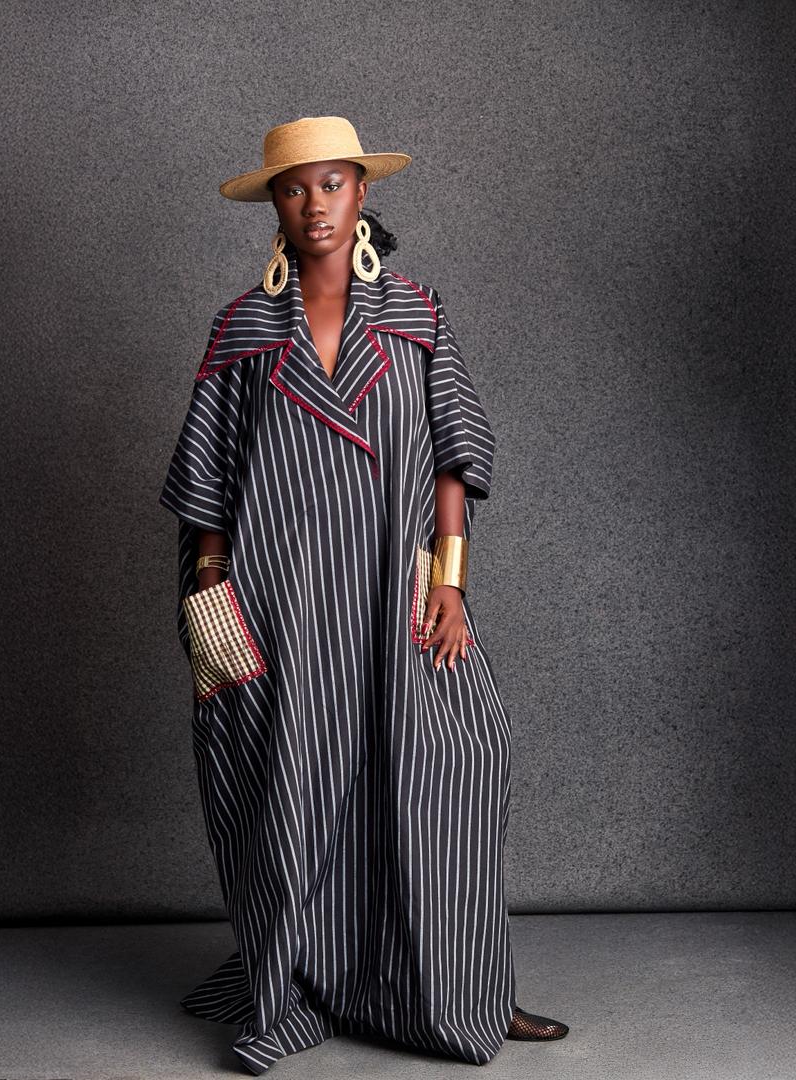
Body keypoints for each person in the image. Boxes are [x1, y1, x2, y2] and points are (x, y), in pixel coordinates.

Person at [159, 115, 569, 1075]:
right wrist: (211, 593)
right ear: (275, 204)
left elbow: (453, 459)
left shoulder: (417, 315)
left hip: (396, 593)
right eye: (294, 188)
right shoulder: (242, 329)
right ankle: (308, 980)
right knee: (290, 788)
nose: (316, 204)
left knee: (455, 769)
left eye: (333, 184)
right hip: (282, 601)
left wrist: (450, 582)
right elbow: (209, 479)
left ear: (363, 192)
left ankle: (464, 989)